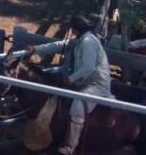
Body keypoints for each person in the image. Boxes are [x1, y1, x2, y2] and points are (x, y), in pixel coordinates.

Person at [25, 14, 113, 155]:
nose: (71, 31)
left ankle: (69, 147)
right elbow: (60, 45)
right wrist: (37, 49)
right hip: (83, 80)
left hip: (96, 83)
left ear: (76, 29)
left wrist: (71, 79)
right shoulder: (80, 39)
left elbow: (88, 67)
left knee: (78, 106)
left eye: (72, 28)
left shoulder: (88, 42)